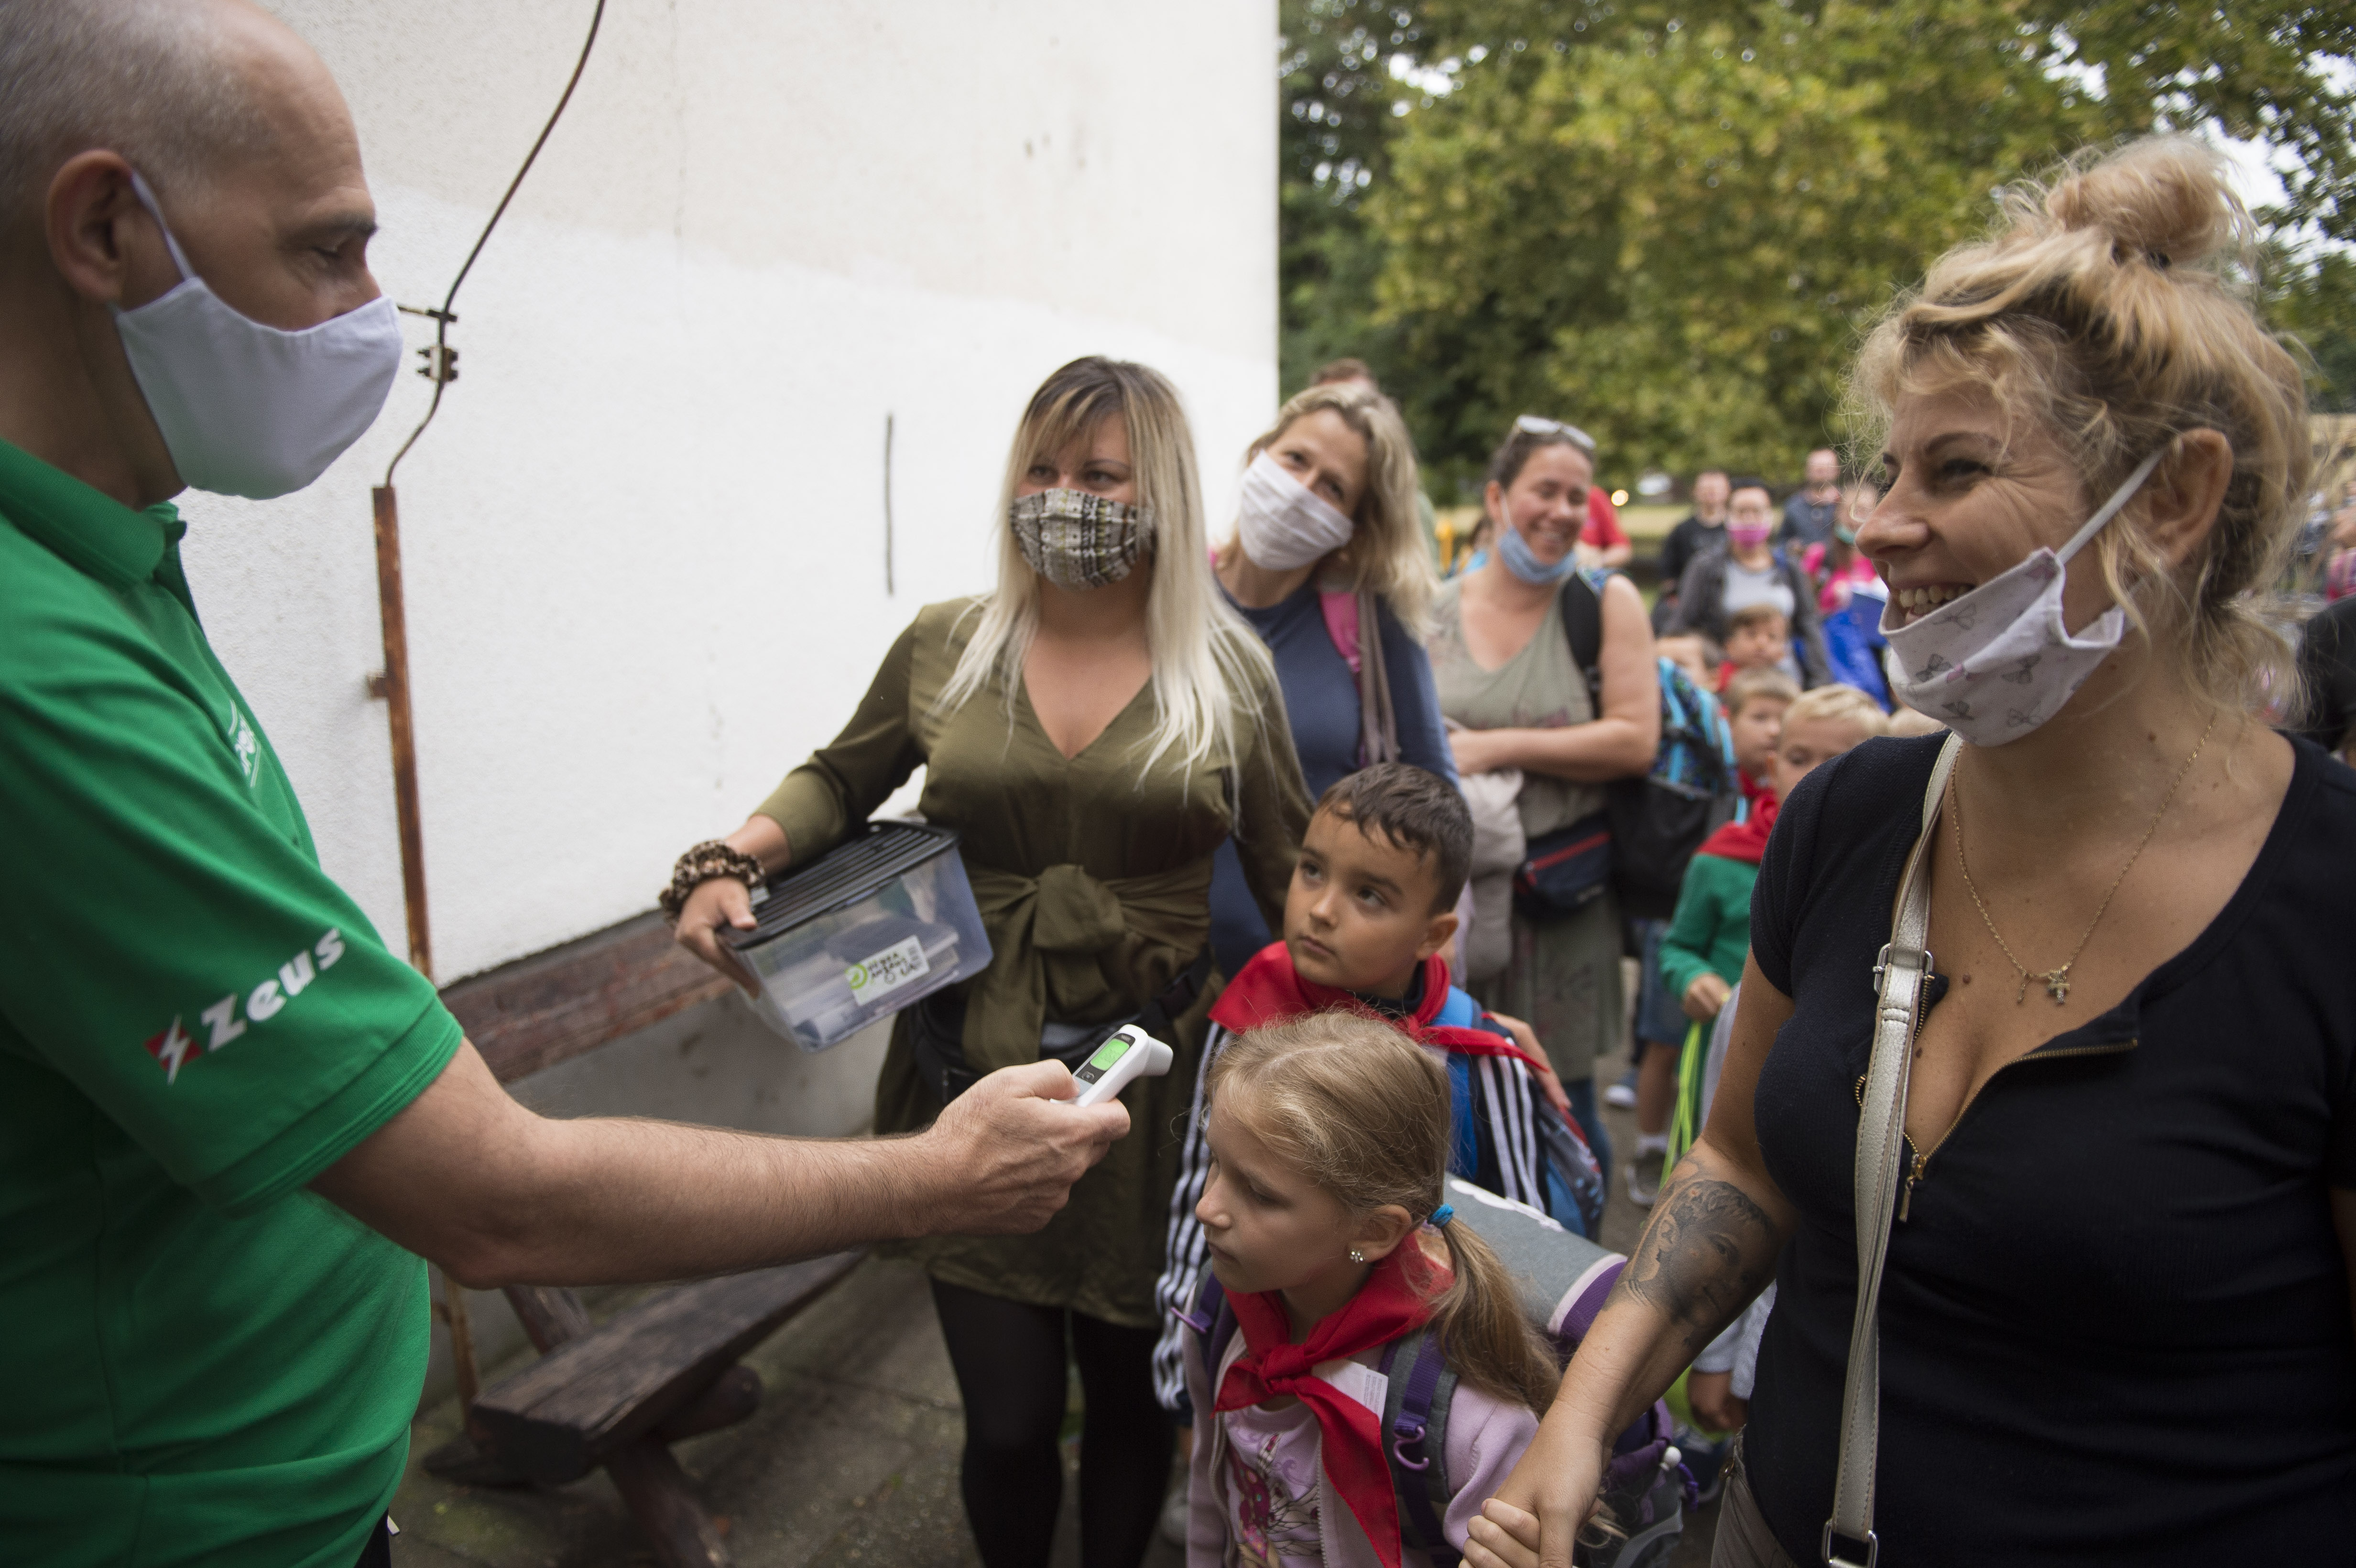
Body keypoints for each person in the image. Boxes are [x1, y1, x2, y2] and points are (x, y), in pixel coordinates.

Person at [0, 7, 1132, 1564]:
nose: (370, 315)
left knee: (1127, 1401)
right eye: (329, 252)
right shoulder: (34, 673)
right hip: (187, 1524)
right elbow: (497, 1200)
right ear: (106, 227)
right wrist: (922, 1169)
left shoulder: (106, 560)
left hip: (284, 1481)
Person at [1471, 137, 2356, 1568]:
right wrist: (1587, 1401)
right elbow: (1746, 1164)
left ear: (2176, 500)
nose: (1879, 524)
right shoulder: (1854, 816)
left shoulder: (2326, 900)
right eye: (1885, 468)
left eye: (1952, 468)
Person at [672, 356, 1310, 1568]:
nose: (1063, 493)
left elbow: (1296, 882)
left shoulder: (1230, 674)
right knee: (1008, 1416)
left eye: (1101, 474)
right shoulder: (947, 642)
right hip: (970, 1063)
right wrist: (728, 857)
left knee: (1133, 1399)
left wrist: (1389, 1020)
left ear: (1158, 492)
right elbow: (837, 775)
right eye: (1044, 467)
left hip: (1152, 1093)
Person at [1154, 763, 1603, 1413]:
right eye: (1312, 870)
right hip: (1260, 1364)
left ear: (1434, 935)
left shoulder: (1474, 1056)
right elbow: (1200, 1192)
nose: (1321, 909)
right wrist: (1183, 1369)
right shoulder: (1249, 1017)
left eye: (1370, 895)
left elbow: (1526, 1233)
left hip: (1423, 1384)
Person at [1179, 1014, 1554, 1566]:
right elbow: (1209, 1490)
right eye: (1216, 1161)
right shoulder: (1220, 1309)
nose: (1206, 1208)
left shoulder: (1469, 1423)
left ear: (1373, 1232)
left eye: (1258, 1193)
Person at [1429, 416, 1660, 1182]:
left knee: (1563, 1109)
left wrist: (1493, 747)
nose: (1562, 511)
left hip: (1559, 909)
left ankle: (1579, 1280)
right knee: (1445, 1098)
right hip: (1450, 912)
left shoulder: (1603, 604)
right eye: (1544, 491)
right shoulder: (1430, 609)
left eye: (1576, 496)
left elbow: (1634, 739)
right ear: (1499, 498)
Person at [1679, 687, 1890, 1438]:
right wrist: (1712, 1350)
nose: (1818, 782)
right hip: (1779, 1331)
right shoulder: (1732, 876)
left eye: (1844, 763)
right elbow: (1732, 1166)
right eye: (1801, 759)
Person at [1207, 382, 1454, 980]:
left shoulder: (1370, 622)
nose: (1300, 491)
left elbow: (1434, 801)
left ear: (1353, 525)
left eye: (1333, 488)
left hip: (1304, 987)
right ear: (1257, 454)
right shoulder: (1164, 595)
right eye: (1295, 459)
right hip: (1152, 980)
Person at [1623, 668, 1794, 1206]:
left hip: (1766, 1026)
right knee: (1662, 1047)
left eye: (1779, 722)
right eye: (1759, 717)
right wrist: (1690, 972)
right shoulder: (1722, 825)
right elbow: (1682, 938)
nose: (1769, 730)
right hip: (1692, 956)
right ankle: (1652, 1146)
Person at [1670, 476, 1831, 686]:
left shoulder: (1789, 568)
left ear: (1770, 516)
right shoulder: (1706, 567)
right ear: (1727, 516)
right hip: (1729, 681)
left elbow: (1809, 626)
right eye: (1741, 512)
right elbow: (1681, 625)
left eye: (1756, 511)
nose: (1749, 519)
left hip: (1786, 679)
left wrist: (1820, 680)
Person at [1654, 468, 1731, 631]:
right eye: (1706, 489)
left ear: (1727, 492)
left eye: (1716, 489)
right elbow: (1667, 573)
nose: (1711, 494)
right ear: (1695, 492)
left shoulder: (1734, 531)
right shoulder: (1682, 530)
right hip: (1687, 601)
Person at [1714, 602, 1793, 690]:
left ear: (1783, 652)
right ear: (1730, 647)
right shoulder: (1716, 681)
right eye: (1752, 634)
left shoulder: (1785, 687)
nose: (1761, 643)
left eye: (1772, 637)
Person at [1776, 446, 1841, 550]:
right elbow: (1782, 542)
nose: (1822, 474)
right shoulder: (1793, 506)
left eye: (1827, 469)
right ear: (1807, 471)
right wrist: (1791, 547)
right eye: (1818, 470)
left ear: (1837, 471)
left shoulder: (1846, 504)